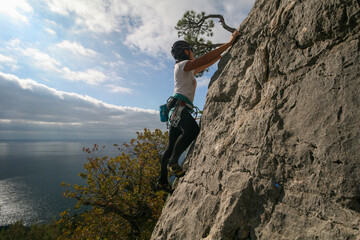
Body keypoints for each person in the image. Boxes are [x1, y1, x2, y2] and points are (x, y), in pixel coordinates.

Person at [157, 30, 240, 192]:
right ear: (186, 51)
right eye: (191, 50)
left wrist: (220, 55)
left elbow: (205, 64)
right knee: (192, 131)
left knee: (171, 145)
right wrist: (229, 43)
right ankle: (173, 162)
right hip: (179, 106)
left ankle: (162, 181)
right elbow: (204, 59)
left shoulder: (185, 69)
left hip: (176, 107)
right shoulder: (182, 65)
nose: (194, 53)